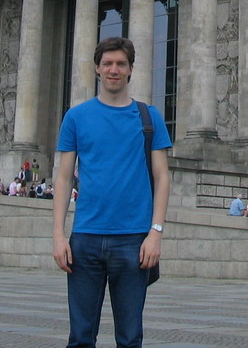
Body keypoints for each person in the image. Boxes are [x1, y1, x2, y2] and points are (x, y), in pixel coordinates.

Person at [52, 36, 171, 348]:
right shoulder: (76, 117)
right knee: (79, 337)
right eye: (108, 63)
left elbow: (162, 178)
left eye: (120, 64)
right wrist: (58, 235)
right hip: (85, 238)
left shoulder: (149, 117)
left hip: (134, 240)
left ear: (130, 70)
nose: (113, 70)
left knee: (130, 338)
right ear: (97, 69)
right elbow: (63, 178)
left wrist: (155, 232)